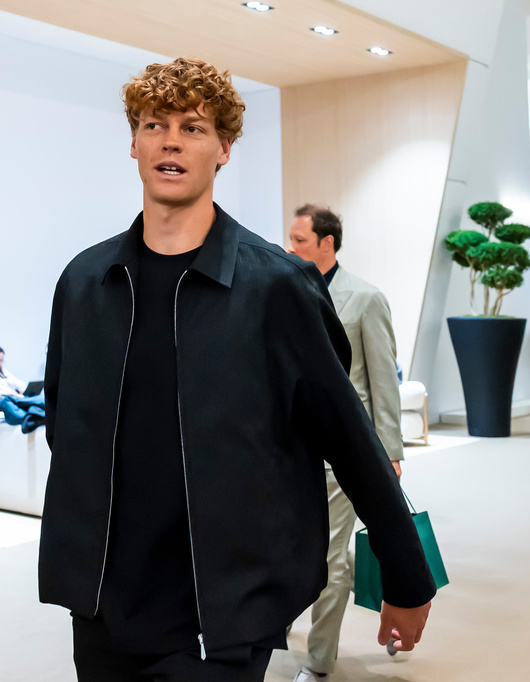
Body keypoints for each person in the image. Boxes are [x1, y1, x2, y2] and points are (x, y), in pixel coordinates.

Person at [38, 57, 434, 682]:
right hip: (104, 605)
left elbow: (347, 436)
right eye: (154, 125)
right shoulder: (86, 281)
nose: (170, 141)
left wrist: (405, 574)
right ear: (134, 143)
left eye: (193, 128)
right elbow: (66, 424)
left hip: (222, 609)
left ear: (224, 149)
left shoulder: (277, 285)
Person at [287, 204, 405, 681]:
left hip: (342, 455)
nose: (290, 248)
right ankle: (399, 600)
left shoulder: (366, 299)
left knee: (331, 558)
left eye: (299, 240)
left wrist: (390, 452)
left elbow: (384, 380)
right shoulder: (287, 291)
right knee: (302, 546)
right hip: (293, 452)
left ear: (327, 243)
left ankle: (318, 663)